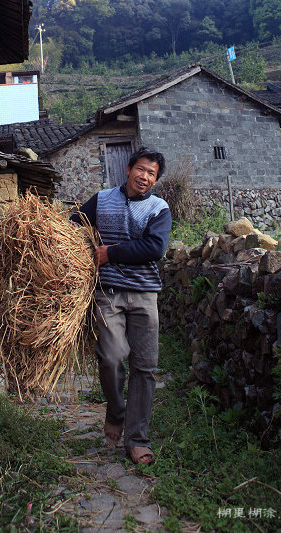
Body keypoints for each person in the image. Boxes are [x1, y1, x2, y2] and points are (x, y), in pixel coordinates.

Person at [71, 147, 172, 465]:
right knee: (111, 357)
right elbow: (74, 227)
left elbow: (155, 247)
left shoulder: (159, 208)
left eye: (151, 174)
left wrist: (110, 252)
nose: (144, 176)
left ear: (155, 180)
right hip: (109, 292)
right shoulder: (101, 200)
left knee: (145, 368)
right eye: (141, 169)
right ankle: (116, 411)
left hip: (144, 295)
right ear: (128, 169)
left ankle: (137, 439)